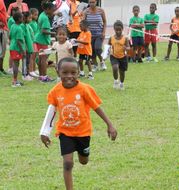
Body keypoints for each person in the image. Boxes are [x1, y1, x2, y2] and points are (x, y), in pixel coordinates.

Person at [40, 57, 117, 190]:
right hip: (65, 132)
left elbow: (96, 107)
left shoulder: (84, 89)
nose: (69, 76)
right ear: (58, 72)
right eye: (65, 73)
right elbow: (51, 111)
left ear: (78, 72)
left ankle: (84, 154)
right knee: (68, 163)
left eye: (73, 72)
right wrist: (44, 132)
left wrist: (109, 124)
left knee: (83, 161)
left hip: (83, 132)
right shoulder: (55, 91)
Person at [34, 1, 56, 83]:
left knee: (40, 59)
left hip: (39, 40)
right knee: (43, 59)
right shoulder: (45, 18)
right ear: (48, 9)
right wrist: (54, 33)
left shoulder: (42, 15)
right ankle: (44, 77)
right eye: (52, 10)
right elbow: (44, 31)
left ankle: (41, 76)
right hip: (42, 40)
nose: (53, 12)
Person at [82, 0, 107, 71]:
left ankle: (102, 62)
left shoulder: (101, 10)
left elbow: (104, 22)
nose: (91, 4)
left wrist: (104, 32)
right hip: (89, 35)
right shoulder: (86, 11)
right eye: (90, 2)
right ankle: (95, 65)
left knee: (98, 48)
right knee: (92, 51)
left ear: (96, 2)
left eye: (93, 2)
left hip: (99, 33)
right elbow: (83, 22)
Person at [108, 20, 130, 90]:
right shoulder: (111, 38)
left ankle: (121, 83)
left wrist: (126, 48)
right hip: (114, 56)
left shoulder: (125, 38)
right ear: (114, 29)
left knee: (122, 72)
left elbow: (129, 47)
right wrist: (108, 50)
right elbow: (108, 45)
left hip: (123, 57)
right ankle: (115, 81)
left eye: (119, 30)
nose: (118, 32)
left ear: (122, 29)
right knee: (115, 68)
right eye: (116, 30)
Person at [9, 12, 25, 87]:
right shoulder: (19, 28)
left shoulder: (12, 26)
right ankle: (14, 81)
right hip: (16, 48)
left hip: (12, 47)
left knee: (15, 63)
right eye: (22, 18)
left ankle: (15, 80)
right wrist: (22, 51)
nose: (23, 19)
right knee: (16, 64)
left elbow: (10, 36)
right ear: (19, 19)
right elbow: (19, 41)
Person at [21, 11, 34, 81]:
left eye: (31, 18)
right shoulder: (22, 26)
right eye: (29, 18)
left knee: (28, 61)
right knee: (25, 61)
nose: (30, 20)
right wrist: (24, 47)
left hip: (29, 47)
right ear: (24, 18)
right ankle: (24, 75)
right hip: (26, 48)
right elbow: (22, 38)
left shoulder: (27, 25)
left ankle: (27, 73)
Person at [29, 8, 39, 77]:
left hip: (35, 41)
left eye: (37, 15)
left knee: (35, 57)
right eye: (35, 15)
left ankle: (34, 70)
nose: (36, 16)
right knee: (32, 57)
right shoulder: (30, 23)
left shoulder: (35, 22)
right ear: (31, 15)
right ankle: (31, 70)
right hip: (32, 42)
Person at [0, 0, 9, 76]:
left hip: (4, 28)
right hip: (1, 29)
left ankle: (1, 69)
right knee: (1, 51)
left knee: (3, 51)